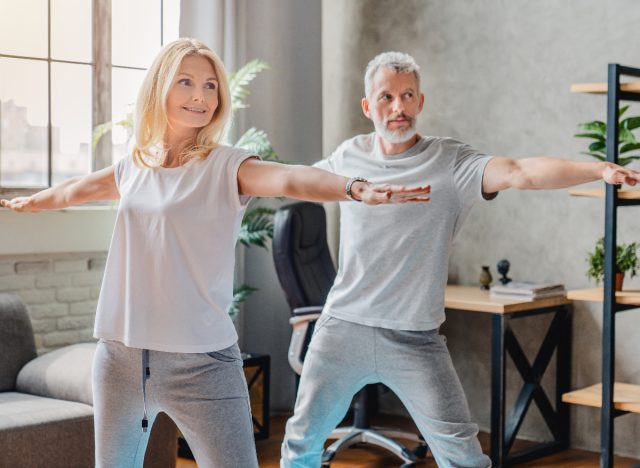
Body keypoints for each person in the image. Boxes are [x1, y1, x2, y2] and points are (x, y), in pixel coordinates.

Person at [0, 40, 430, 468]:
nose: (201, 96)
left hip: (201, 363)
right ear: (159, 89)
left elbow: (289, 180)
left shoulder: (226, 166)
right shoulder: (135, 165)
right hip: (120, 359)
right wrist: (34, 201)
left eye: (210, 86)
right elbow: (80, 188)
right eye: (186, 82)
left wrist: (353, 187)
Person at [280, 51, 640, 468]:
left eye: (407, 95)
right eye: (386, 97)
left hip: (415, 338)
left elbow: (519, 171)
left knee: (465, 460)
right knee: (300, 448)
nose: (397, 108)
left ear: (420, 102)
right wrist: (226, 177)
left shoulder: (450, 163)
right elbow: (294, 180)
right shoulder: (348, 157)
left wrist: (597, 171)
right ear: (367, 106)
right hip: (343, 329)